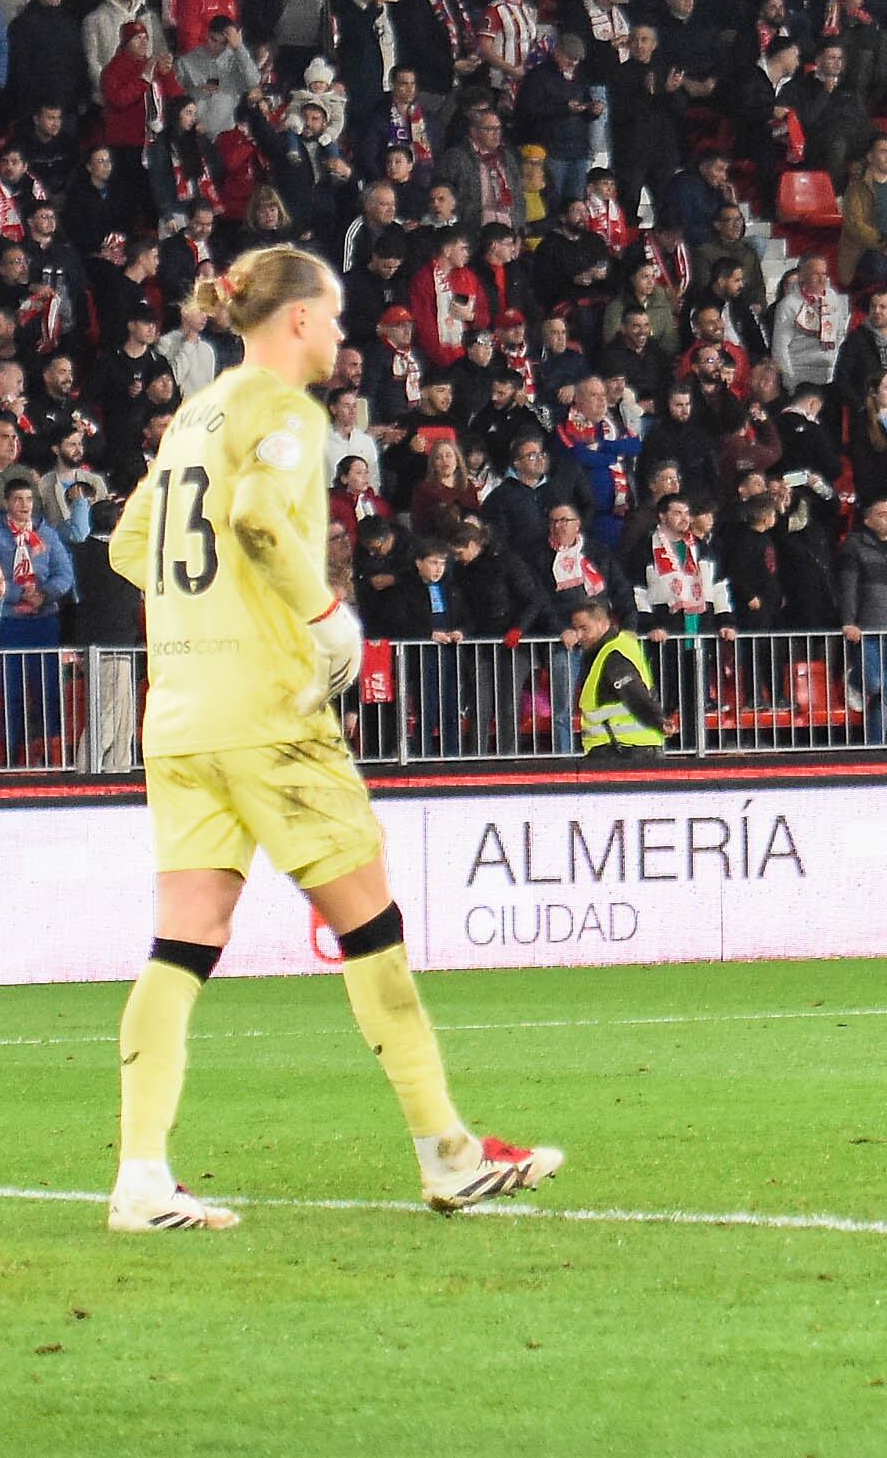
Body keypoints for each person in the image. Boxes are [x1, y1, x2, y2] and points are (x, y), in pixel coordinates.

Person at [106, 243, 561, 1236]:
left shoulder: (192, 416)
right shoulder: (280, 412)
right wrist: (324, 619)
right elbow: (262, 518)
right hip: (268, 715)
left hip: (179, 716)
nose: (345, 334)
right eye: (338, 316)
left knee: (181, 942)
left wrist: (206, 618)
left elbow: (131, 545)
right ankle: (445, 1149)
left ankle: (140, 1173)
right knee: (371, 927)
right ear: (299, 319)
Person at [566, 594, 667, 751]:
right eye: (576, 629)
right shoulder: (615, 646)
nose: (579, 636)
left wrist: (659, 721)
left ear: (602, 623)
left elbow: (633, 692)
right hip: (626, 745)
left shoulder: (613, 654)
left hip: (623, 748)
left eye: (584, 629)